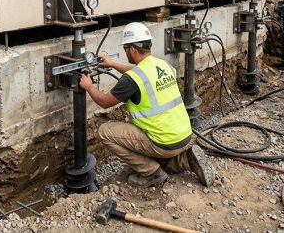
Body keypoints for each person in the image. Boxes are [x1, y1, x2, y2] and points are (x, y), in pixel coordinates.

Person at [78, 22, 214, 188]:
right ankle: (183, 159)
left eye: (126, 49)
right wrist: (112, 64)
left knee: (105, 132)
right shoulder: (163, 65)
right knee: (153, 137)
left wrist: (89, 87)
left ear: (132, 49)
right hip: (184, 135)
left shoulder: (131, 80)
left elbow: (105, 102)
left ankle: (151, 172)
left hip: (164, 142)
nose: (126, 52)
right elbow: (137, 71)